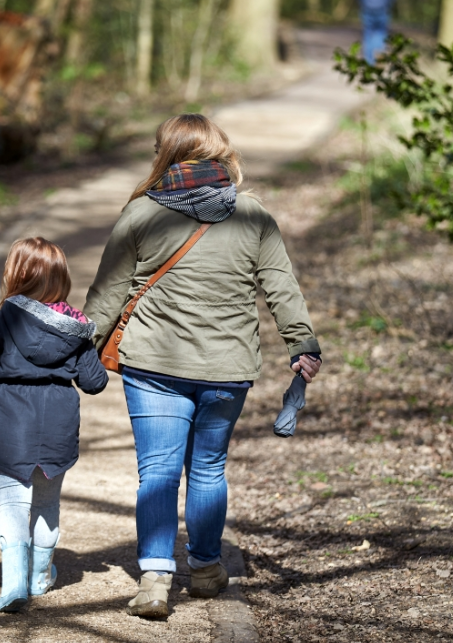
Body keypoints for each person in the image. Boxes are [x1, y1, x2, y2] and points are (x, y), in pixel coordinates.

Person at [84, 113, 322, 619]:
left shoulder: (141, 212)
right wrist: (302, 343)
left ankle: (154, 579)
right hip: (226, 366)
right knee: (209, 468)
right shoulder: (252, 214)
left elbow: (107, 295)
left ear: (166, 156)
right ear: (221, 153)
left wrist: (79, 350)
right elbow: (281, 286)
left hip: (153, 364)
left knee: (157, 471)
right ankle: (207, 568)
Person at [0, 237, 108, 613]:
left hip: (10, 420)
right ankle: (39, 577)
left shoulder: (5, 318)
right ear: (61, 278)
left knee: (13, 503)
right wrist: (91, 348)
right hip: (58, 423)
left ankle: (14, 583)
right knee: (47, 502)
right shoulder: (77, 327)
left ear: (16, 275)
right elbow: (95, 382)